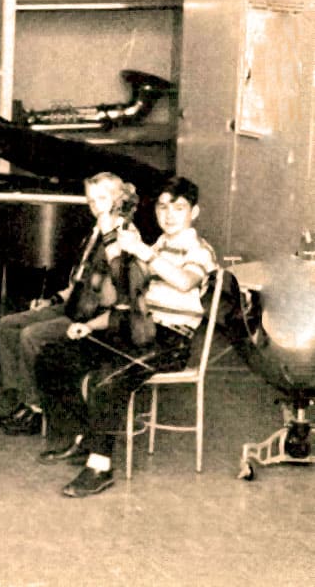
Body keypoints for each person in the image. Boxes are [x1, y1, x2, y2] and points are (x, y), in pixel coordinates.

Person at [33, 176, 217, 498]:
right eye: (162, 207)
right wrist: (90, 326)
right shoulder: (158, 244)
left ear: (195, 212)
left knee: (108, 379)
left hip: (171, 340)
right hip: (134, 328)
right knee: (52, 358)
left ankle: (100, 466)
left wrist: (143, 254)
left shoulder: (198, 249)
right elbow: (132, 304)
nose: (169, 214)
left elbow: (186, 281)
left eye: (179, 208)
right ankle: (87, 437)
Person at [0, 173, 138, 436]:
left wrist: (109, 241)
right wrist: (52, 299)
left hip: (95, 316)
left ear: (119, 199)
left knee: (31, 335)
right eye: (91, 200)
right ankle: (23, 401)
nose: (95, 206)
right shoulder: (95, 232)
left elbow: (114, 296)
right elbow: (80, 283)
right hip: (77, 304)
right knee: (8, 325)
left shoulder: (124, 237)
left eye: (102, 199)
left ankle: (36, 410)